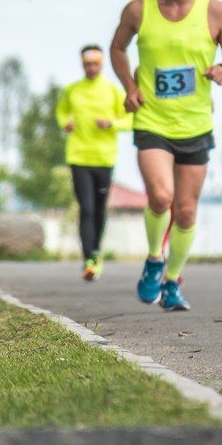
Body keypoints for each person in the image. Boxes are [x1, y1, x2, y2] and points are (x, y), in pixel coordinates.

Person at [110, 0, 222, 313]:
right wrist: (130, 86)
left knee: (185, 211)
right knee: (161, 197)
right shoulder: (139, 10)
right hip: (152, 120)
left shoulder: (216, 12)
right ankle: (155, 258)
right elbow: (117, 48)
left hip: (196, 124)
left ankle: (172, 281)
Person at [57, 44, 132, 281]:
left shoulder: (112, 91)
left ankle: (96, 252)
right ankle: (88, 258)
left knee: (99, 209)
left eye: (95, 64)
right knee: (86, 208)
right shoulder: (71, 91)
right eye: (87, 64)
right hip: (79, 157)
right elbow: (61, 112)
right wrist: (65, 123)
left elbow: (130, 119)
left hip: (104, 158)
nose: (91, 68)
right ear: (82, 64)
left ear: (101, 64)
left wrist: (111, 124)